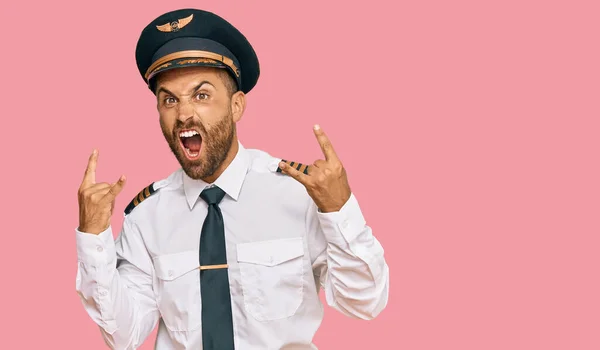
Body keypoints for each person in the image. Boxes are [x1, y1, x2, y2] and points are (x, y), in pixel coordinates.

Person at [75, 8, 389, 350]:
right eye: (169, 100)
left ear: (237, 106)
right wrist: (94, 238)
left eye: (201, 95)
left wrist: (339, 210)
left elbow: (365, 304)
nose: (183, 114)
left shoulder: (299, 195)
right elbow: (123, 335)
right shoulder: (146, 217)